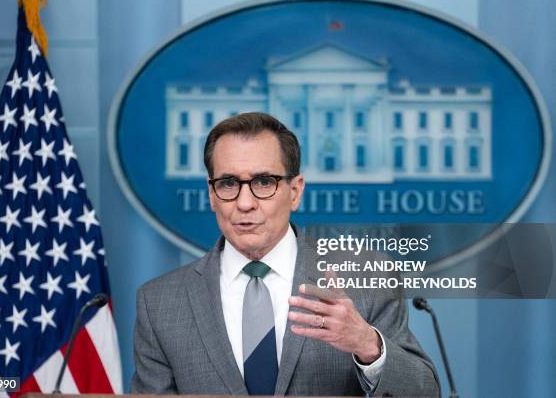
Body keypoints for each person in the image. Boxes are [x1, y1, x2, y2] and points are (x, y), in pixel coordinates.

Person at [131, 112, 440, 396]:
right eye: (228, 184)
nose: (245, 203)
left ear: (295, 192)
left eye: (264, 182)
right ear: (212, 195)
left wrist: (368, 345)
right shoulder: (159, 303)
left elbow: (424, 392)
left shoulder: (368, 278)